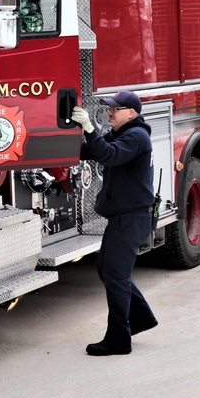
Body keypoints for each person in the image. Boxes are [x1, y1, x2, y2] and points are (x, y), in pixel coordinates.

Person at [70, 90, 158, 356]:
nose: (109, 112)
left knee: (116, 277)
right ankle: (141, 318)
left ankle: (119, 339)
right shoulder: (123, 133)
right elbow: (92, 151)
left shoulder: (135, 136)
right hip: (124, 216)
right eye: (109, 108)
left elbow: (108, 155)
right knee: (107, 270)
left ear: (130, 113)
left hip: (131, 218)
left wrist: (89, 127)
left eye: (115, 109)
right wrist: (64, 138)